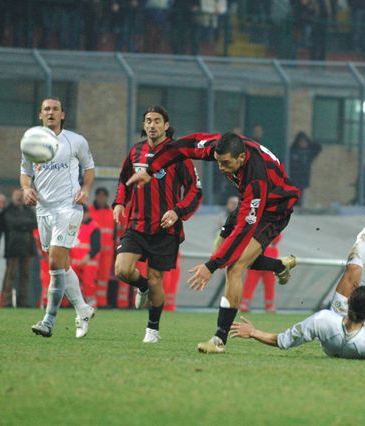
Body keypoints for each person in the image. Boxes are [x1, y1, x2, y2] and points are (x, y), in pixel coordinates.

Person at [126, 131, 300, 354]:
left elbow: (243, 232)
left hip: (274, 209)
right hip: (248, 201)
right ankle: (279, 266)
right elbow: (181, 147)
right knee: (221, 251)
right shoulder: (218, 147)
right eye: (218, 162)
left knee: (234, 266)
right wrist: (150, 170)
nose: (221, 168)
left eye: (226, 163)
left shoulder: (256, 180)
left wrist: (210, 267)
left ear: (241, 158)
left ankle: (219, 340)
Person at [231, 190, 365, 361]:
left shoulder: (324, 319)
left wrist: (253, 332)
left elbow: (283, 340)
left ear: (349, 304)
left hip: (343, 329)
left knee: (353, 270)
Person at [113, 105, 203, 343]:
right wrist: (119, 203)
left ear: (166, 125)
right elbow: (124, 180)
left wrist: (177, 211)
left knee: (156, 280)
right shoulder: (136, 152)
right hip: (136, 224)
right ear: (144, 125)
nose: (152, 125)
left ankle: (152, 330)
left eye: (157, 121)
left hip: (165, 228)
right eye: (148, 121)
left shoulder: (178, 154)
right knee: (121, 269)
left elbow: (195, 190)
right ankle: (140, 286)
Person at [23, 97, 96, 339]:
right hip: (43, 210)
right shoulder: (32, 141)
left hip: (69, 207)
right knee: (61, 265)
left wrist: (85, 190)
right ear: (40, 114)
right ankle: (83, 309)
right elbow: (25, 172)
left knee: (55, 262)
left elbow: (89, 168)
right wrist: (26, 189)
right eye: (46, 109)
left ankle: (48, 320)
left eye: (55, 109)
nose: (51, 112)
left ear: (62, 114)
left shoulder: (75, 141)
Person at [0, 188, 37, 308]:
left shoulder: (28, 210)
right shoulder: (8, 210)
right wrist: (25, 224)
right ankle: (7, 302)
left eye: (21, 195)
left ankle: (23, 302)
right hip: (13, 247)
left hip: (28, 247)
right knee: (11, 275)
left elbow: (34, 223)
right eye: (17, 195)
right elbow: (11, 222)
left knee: (25, 275)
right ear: (12, 197)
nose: (19, 198)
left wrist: (21, 224)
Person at [239, 234, 282, 313]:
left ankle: (269, 305)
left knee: (270, 285)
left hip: (269, 255)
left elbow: (277, 237)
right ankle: (244, 303)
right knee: (250, 283)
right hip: (256, 256)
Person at [70, 206, 101, 307]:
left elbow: (96, 246)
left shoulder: (94, 227)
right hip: (74, 263)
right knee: (72, 286)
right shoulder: (73, 225)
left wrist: (88, 256)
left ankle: (91, 306)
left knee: (89, 286)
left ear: (88, 213)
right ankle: (78, 306)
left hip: (88, 263)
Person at [89, 187, 114, 308]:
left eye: (104, 196)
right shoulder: (90, 211)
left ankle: (102, 302)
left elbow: (113, 233)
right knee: (91, 277)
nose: (101, 198)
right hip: (93, 250)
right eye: (99, 196)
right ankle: (91, 302)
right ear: (96, 197)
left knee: (104, 278)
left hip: (107, 251)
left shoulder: (111, 213)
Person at [289, 131, 321, 207]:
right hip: (293, 178)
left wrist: (309, 143)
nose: (303, 144)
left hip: (303, 179)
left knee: (301, 197)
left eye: (304, 142)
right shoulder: (293, 152)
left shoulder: (308, 153)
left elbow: (318, 147)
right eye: (301, 142)